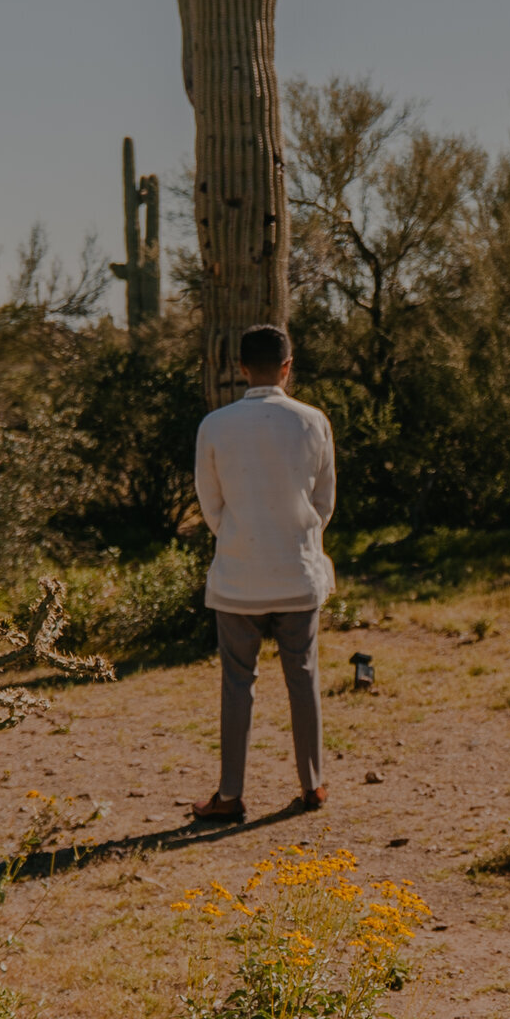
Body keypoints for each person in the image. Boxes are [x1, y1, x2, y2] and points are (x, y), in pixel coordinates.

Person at [191, 323, 335, 823]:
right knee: (304, 678)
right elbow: (324, 501)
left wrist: (237, 535)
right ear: (288, 367)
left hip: (237, 578)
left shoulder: (215, 424)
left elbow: (211, 506)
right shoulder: (313, 421)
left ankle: (230, 794)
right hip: (297, 573)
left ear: (241, 368)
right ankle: (312, 784)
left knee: (237, 684)